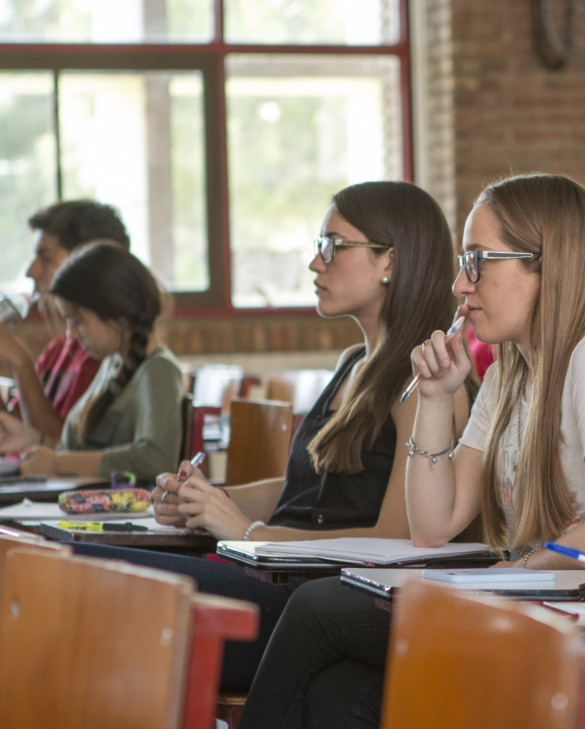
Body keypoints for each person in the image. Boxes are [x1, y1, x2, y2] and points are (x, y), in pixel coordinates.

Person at [236, 172, 585, 729]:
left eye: (478, 261)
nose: (459, 285)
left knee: (319, 608)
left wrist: (508, 569)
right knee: (342, 690)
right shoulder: (511, 372)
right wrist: (433, 399)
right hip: (545, 604)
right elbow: (434, 526)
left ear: (548, 265)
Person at [65, 181, 472, 690]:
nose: (315, 264)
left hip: (309, 598)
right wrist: (210, 499)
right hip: (265, 571)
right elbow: (299, 489)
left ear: (389, 260)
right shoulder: (353, 362)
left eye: (333, 246)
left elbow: (394, 540)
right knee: (58, 564)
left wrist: (245, 531)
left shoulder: (428, 382)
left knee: (75, 572)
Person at [0, 242, 184, 481]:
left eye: (77, 321)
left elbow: (156, 459)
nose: (71, 335)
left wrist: (58, 463)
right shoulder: (112, 364)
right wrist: (35, 439)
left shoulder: (159, 370)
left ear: (117, 316)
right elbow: (87, 450)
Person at [0, 200, 131, 443]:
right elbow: (14, 433)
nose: (31, 271)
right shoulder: (59, 348)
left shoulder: (106, 354)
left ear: (88, 263)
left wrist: (20, 363)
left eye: (45, 258)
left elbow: (67, 446)